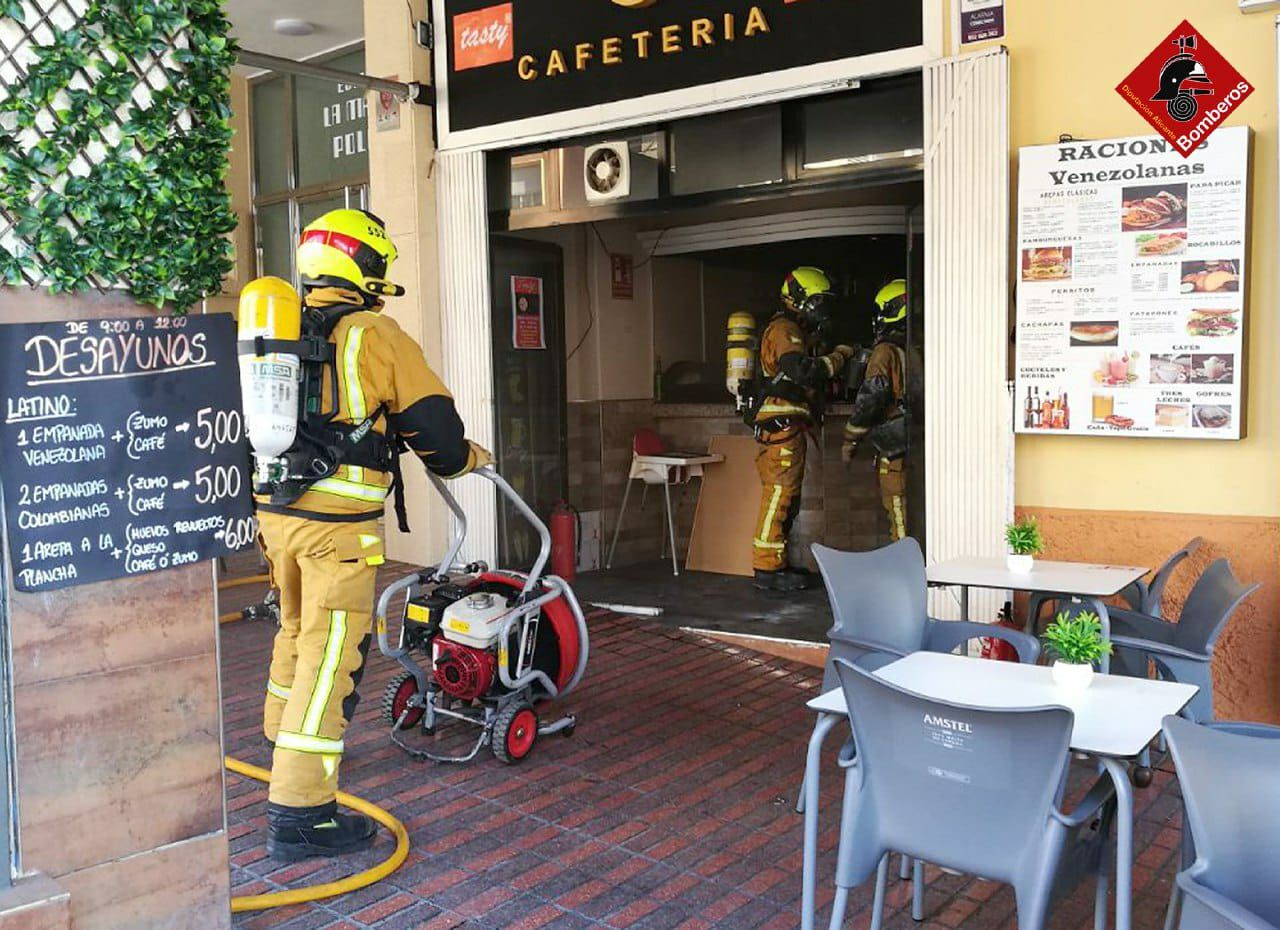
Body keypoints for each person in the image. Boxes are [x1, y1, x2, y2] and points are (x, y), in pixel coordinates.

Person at [255, 208, 491, 861]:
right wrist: (473, 458)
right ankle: (300, 815)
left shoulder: (275, 332)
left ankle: (282, 742)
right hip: (336, 531)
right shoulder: (374, 334)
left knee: (295, 631)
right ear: (364, 268)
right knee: (331, 657)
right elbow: (439, 440)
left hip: (276, 516)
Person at [751, 267, 854, 591]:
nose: (821, 308)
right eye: (817, 301)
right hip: (782, 426)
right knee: (779, 496)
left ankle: (777, 564)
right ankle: (766, 570)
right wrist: (837, 358)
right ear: (799, 299)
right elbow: (801, 369)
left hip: (787, 426)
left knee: (787, 499)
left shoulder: (796, 331)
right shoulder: (785, 329)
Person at [842, 278, 911, 541]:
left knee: (898, 513)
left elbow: (871, 397)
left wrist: (850, 441)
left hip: (895, 449)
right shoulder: (919, 347)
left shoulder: (884, 352)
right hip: (917, 444)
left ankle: (906, 572)